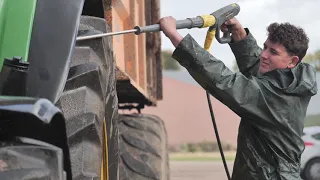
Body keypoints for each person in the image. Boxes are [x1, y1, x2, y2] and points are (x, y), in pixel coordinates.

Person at [159, 16, 318, 180]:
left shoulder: (275, 97)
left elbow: (224, 80)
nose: (264, 54)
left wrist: (175, 36)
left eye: (273, 52)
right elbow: (256, 66)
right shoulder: (287, 82)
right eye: (265, 47)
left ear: (292, 61)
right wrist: (240, 35)